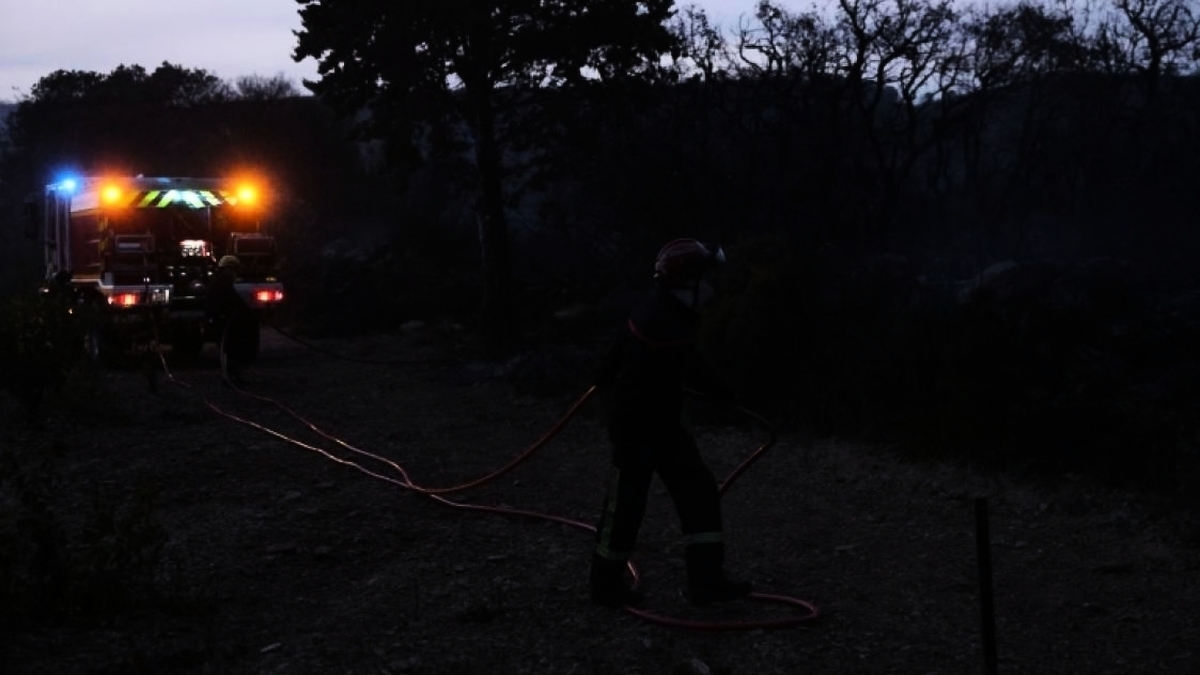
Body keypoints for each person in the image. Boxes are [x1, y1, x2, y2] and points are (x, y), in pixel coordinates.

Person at [588, 238, 753, 608]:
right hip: (636, 426)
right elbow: (693, 366)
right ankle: (604, 586)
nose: (708, 288)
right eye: (703, 278)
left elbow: (621, 346)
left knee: (699, 491)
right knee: (627, 503)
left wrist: (605, 374)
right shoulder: (665, 321)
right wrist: (726, 394)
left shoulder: (660, 308)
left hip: (662, 423)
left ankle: (706, 582)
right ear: (686, 281)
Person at [205, 255, 256, 385]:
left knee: (231, 348)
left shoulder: (220, 282)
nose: (235, 274)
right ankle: (229, 377)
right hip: (222, 321)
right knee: (229, 348)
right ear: (227, 269)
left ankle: (231, 375)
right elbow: (232, 300)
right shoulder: (222, 283)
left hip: (224, 320)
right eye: (234, 270)